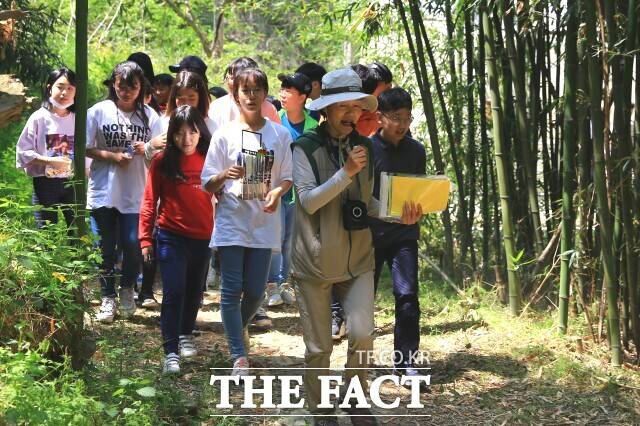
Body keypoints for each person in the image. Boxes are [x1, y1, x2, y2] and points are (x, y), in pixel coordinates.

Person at [290, 68, 421, 426]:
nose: (350, 114)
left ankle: (356, 400)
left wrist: (399, 217)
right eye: (341, 107)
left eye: (354, 107)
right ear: (325, 111)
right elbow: (309, 202)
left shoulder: (361, 147)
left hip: (359, 257)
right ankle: (321, 412)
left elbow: (369, 203)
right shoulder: (304, 148)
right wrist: (344, 172)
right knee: (319, 348)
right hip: (314, 263)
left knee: (363, 335)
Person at [201, 68, 293, 375]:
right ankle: (238, 354)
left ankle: (236, 330)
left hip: (264, 222)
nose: (251, 96)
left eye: (256, 90)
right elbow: (207, 183)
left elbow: (287, 178)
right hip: (231, 219)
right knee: (231, 290)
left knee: (256, 291)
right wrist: (224, 175)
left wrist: (276, 193)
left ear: (265, 94)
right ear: (235, 94)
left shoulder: (278, 134)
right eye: (245, 90)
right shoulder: (224, 134)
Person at [139, 105, 213, 374]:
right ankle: (170, 350)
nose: (187, 139)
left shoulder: (209, 157)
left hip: (203, 237)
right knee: (173, 292)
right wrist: (145, 238)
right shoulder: (162, 161)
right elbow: (149, 201)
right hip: (171, 236)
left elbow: (225, 194)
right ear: (171, 135)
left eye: (192, 132)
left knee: (195, 291)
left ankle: (185, 333)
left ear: (200, 133)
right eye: (180, 133)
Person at [86, 61, 160, 323]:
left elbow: (161, 150)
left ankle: (127, 287)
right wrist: (110, 155)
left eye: (132, 87)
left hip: (135, 192)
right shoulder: (98, 111)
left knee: (132, 244)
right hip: (103, 190)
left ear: (141, 88)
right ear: (113, 85)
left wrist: (146, 148)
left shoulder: (150, 116)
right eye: (121, 86)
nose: (126, 91)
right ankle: (107, 297)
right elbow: (84, 147)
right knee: (103, 246)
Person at [370, 88, 425, 376]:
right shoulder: (366, 149)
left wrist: (421, 208)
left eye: (407, 117)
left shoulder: (416, 150)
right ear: (380, 118)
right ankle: (359, 361)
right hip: (371, 236)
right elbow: (360, 197)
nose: (402, 124)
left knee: (407, 297)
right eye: (396, 117)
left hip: (404, 235)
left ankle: (406, 362)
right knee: (363, 299)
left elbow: (420, 191)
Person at [264, 72, 317, 308]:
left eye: (289, 91)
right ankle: (271, 285)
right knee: (274, 237)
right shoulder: (275, 120)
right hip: (276, 188)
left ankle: (284, 282)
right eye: (282, 89)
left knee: (290, 240)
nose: (283, 94)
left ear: (303, 97)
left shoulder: (314, 127)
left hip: (301, 192)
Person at [16, 67, 77, 228]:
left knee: (77, 231)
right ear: (49, 88)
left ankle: (78, 255)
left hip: (73, 183)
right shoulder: (39, 117)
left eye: (70, 88)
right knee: (47, 231)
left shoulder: (79, 120)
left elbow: (88, 152)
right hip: (45, 183)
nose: (65, 92)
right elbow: (23, 152)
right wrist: (50, 161)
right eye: (60, 87)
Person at [209, 57, 280, 128]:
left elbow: (278, 136)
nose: (234, 83)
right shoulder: (217, 107)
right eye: (231, 78)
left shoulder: (268, 108)